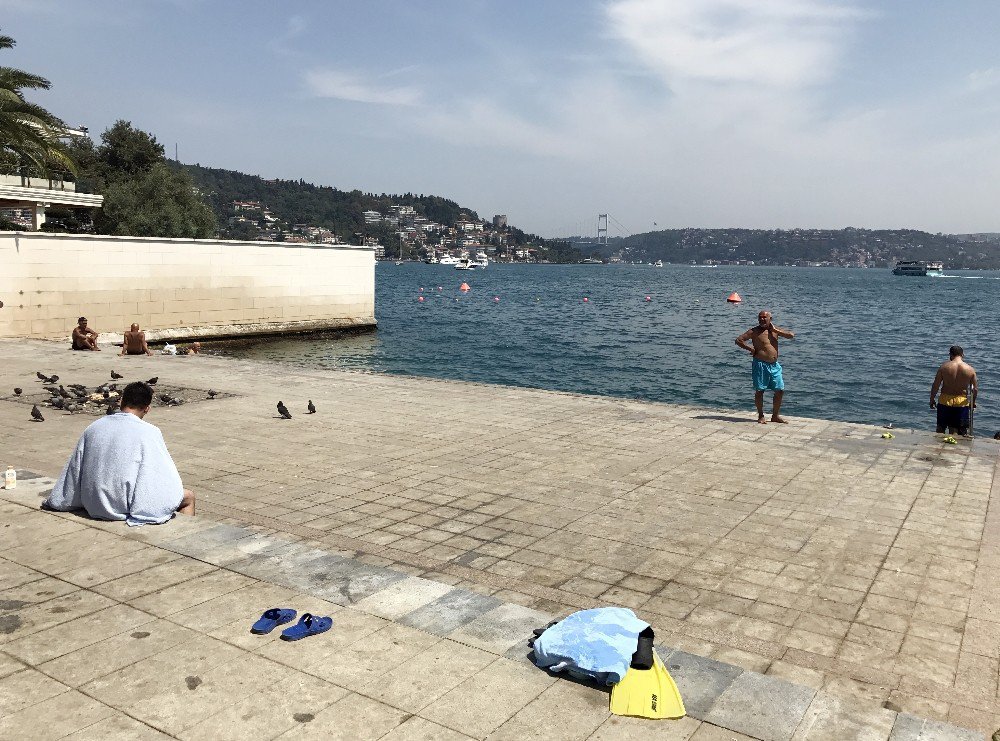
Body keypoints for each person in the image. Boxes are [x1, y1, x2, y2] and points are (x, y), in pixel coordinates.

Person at [44, 381, 195, 525]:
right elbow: (159, 473)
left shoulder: (94, 427)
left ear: (121, 400)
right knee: (188, 497)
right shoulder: (150, 432)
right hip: (121, 503)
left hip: (92, 501)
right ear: (147, 408)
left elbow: (75, 468)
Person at [736, 310, 795, 424]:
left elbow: (791, 335)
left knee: (780, 390)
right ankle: (761, 415)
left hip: (774, 365)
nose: (762, 319)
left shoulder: (775, 331)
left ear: (770, 319)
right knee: (760, 390)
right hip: (760, 364)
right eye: (760, 317)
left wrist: (775, 330)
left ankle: (775, 416)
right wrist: (751, 349)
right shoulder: (754, 331)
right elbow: (739, 340)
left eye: (764, 317)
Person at [930, 346, 977, 437]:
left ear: (950, 355)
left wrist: (932, 399)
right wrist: (973, 402)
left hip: (944, 400)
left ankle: (938, 447)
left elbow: (936, 385)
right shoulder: (970, 369)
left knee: (940, 428)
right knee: (957, 431)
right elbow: (975, 389)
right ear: (962, 355)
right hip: (961, 402)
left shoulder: (944, 367)